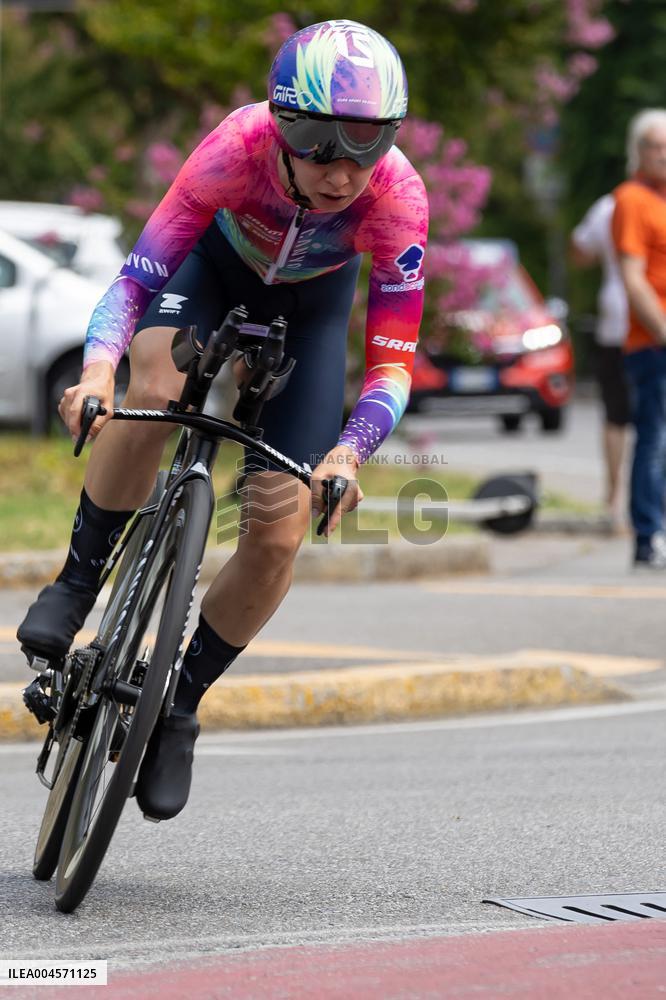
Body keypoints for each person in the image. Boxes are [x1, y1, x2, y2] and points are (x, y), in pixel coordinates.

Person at [17, 20, 429, 817]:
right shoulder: (234, 149)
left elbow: (391, 364)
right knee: (157, 382)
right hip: (213, 270)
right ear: (284, 125)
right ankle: (77, 581)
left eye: (366, 147)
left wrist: (349, 453)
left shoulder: (398, 197)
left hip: (309, 312)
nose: (343, 173)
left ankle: (179, 709)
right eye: (321, 148)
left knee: (280, 529)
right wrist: (98, 366)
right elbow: (136, 282)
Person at [612, 108, 666, 568]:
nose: (665, 154)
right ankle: (649, 536)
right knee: (656, 438)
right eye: (656, 146)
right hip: (653, 344)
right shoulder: (631, 199)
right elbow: (634, 279)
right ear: (640, 152)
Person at [571, 194, 630, 528]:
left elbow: (580, 251)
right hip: (640, 322)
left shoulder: (609, 205)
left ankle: (613, 497)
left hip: (617, 320)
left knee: (616, 417)